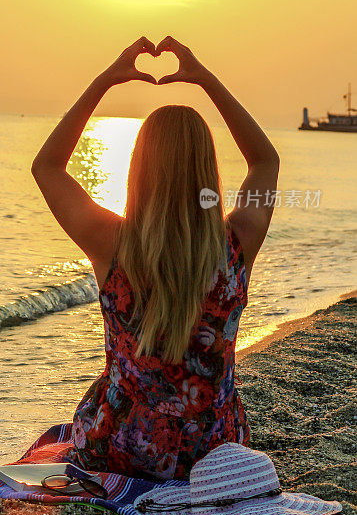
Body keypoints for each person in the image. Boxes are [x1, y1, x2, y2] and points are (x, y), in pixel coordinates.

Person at [31, 36, 279, 481]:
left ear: (138, 167)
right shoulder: (239, 240)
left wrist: (105, 81)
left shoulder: (110, 242)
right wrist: (206, 81)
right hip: (215, 452)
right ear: (208, 168)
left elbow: (47, 167)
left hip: (121, 449)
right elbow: (265, 160)